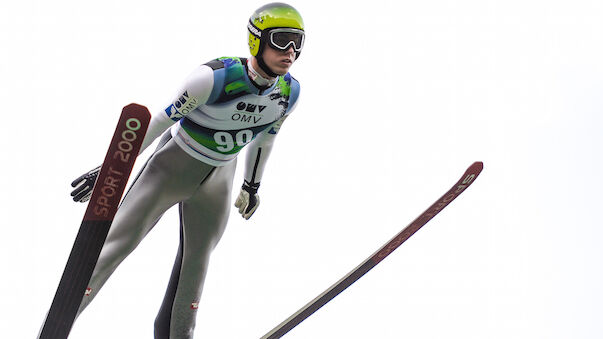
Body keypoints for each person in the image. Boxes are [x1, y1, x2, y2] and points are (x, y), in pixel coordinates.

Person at [67, 3, 304, 338]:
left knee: (196, 271)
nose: (291, 52)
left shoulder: (288, 94)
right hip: (173, 165)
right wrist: (109, 170)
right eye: (282, 40)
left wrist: (251, 186)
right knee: (116, 245)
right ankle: (59, 324)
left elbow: (265, 141)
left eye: (298, 43)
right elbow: (161, 119)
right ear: (257, 40)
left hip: (220, 178)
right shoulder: (213, 78)